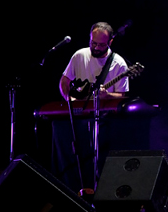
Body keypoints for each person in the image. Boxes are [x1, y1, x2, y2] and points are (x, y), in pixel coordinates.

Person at [53, 22, 131, 193]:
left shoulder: (119, 64)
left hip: (104, 119)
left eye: (101, 44)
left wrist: (108, 96)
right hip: (77, 115)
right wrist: (69, 99)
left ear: (110, 42)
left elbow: (123, 96)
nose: (96, 47)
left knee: (99, 160)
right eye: (93, 43)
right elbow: (64, 81)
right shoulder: (79, 55)